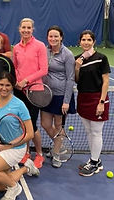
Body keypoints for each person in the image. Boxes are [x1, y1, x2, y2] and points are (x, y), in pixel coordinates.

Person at [0, 72, 39, 200]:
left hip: (15, 148)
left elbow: (30, 133)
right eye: (1, 84)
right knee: (1, 187)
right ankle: (26, 168)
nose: (4, 88)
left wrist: (9, 146)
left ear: (13, 85)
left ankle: (15, 188)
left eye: (8, 85)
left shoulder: (19, 105)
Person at [12, 18, 48, 168]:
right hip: (19, 91)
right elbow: (14, 67)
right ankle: (26, 152)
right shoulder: (16, 48)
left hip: (35, 91)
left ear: (33, 29)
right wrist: (16, 82)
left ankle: (39, 154)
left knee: (31, 125)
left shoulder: (40, 46)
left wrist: (25, 81)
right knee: (22, 125)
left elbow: (43, 69)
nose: (26, 30)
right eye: (23, 27)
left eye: (29, 28)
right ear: (19, 29)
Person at [75, 30, 110, 177]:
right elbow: (77, 80)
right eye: (83, 40)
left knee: (96, 132)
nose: (86, 42)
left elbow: (106, 81)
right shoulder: (78, 59)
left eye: (89, 40)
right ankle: (95, 160)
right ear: (80, 42)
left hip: (97, 99)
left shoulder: (101, 58)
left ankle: (94, 163)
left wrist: (101, 102)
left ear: (94, 41)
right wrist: (77, 67)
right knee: (89, 132)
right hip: (83, 98)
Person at [41, 25, 76, 168]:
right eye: (51, 36)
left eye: (56, 36)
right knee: (45, 124)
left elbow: (71, 78)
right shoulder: (45, 50)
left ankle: (56, 154)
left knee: (58, 125)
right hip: (46, 94)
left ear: (61, 37)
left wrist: (66, 101)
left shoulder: (67, 54)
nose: (53, 39)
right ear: (47, 38)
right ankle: (58, 145)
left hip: (61, 95)